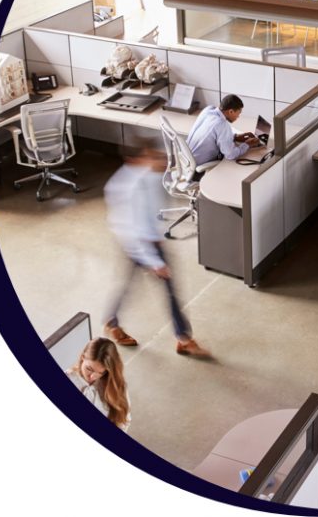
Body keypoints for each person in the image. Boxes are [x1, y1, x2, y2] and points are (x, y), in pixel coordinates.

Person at [103, 141, 212, 359]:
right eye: (153, 157)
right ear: (134, 161)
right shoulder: (129, 188)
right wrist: (155, 262)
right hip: (136, 244)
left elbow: (152, 214)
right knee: (169, 289)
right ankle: (184, 338)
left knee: (130, 284)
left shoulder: (150, 177)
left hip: (150, 240)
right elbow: (134, 230)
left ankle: (112, 321)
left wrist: (158, 237)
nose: (162, 162)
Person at [66, 337, 131, 430]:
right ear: (82, 357)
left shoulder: (115, 383)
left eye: (101, 373)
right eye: (89, 369)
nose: (92, 377)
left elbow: (124, 420)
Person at [186, 94, 259, 169]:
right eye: (238, 113)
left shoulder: (208, 109)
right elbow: (231, 155)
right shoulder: (222, 124)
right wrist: (247, 144)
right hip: (196, 165)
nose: (238, 117)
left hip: (185, 159)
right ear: (231, 111)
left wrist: (235, 137)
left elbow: (214, 134)